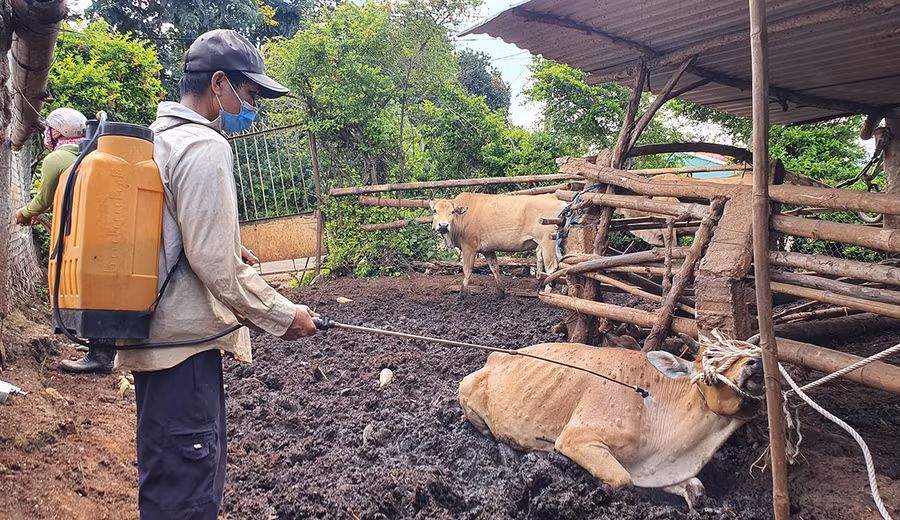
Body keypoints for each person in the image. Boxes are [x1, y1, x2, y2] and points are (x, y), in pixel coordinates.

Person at [114, 29, 318, 519]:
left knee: (167, 482)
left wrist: (227, 245)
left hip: (154, 343)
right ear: (220, 84)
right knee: (187, 498)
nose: (252, 108)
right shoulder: (203, 145)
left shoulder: (157, 139)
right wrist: (283, 315)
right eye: (249, 94)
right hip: (183, 352)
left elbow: (171, 234)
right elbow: (215, 264)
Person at [15, 108, 117, 374]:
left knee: (83, 286)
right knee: (103, 287)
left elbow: (43, 199)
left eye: (49, 130)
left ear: (57, 132)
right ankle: (100, 346)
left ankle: (100, 356)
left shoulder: (57, 158)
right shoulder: (94, 154)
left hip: (81, 235)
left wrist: (24, 213)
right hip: (107, 233)